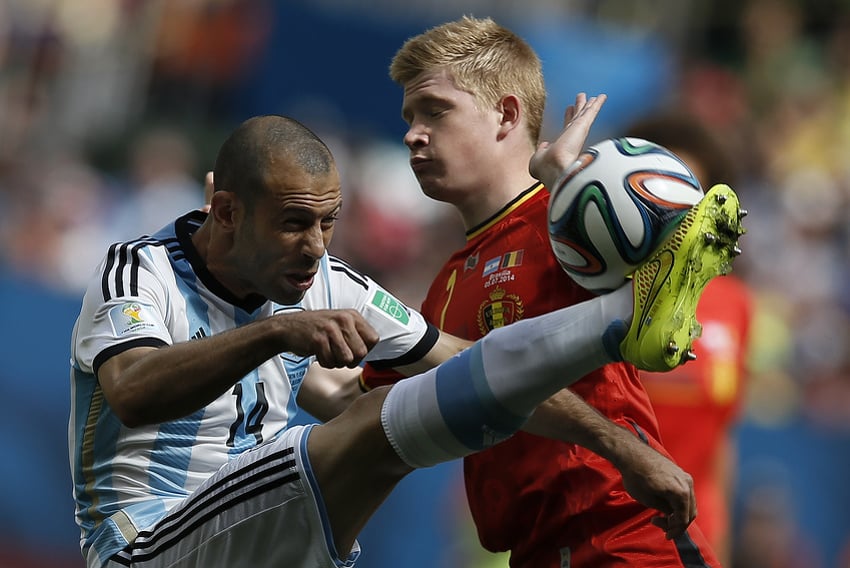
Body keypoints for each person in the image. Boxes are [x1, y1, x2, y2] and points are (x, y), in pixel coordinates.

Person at [68, 106, 743, 567]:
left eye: (329, 224)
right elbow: (132, 391)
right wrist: (276, 334)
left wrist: (619, 445)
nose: (315, 248)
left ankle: (623, 318)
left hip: (270, 539)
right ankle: (616, 318)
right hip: (149, 542)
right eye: (295, 224)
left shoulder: (331, 284)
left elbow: (473, 368)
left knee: (399, 399)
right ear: (225, 212)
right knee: (371, 422)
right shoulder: (140, 270)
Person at [361, 16, 730, 567]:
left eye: (436, 111)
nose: (414, 133)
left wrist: (566, 183)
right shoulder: (446, 285)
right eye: (410, 117)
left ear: (507, 114)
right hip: (532, 553)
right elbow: (364, 402)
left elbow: (685, 247)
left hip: (625, 534)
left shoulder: (578, 230)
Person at [626, 111, 754, 567]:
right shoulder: (601, 291)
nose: (680, 214)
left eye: (692, 196)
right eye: (662, 191)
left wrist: (725, 548)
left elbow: (723, 440)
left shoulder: (736, 304)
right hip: (606, 533)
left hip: (698, 540)